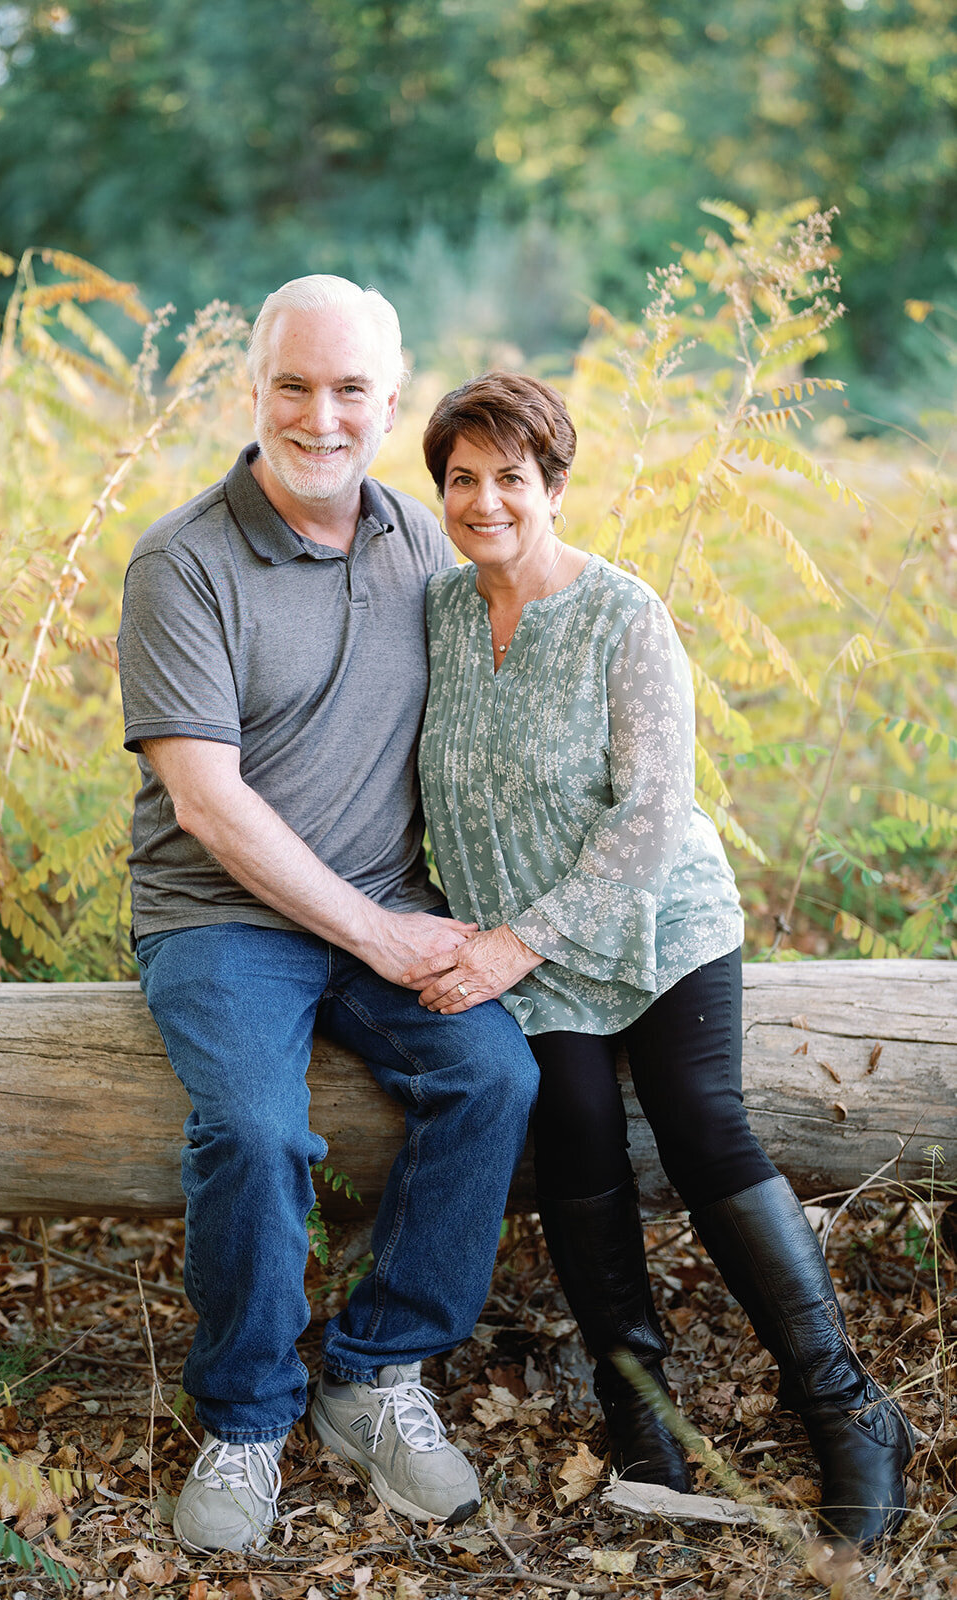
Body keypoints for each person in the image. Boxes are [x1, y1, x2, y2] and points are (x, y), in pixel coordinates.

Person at [403, 371, 915, 1550]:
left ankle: (843, 1405)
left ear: (553, 485)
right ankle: (645, 1419)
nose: (484, 500)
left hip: (652, 919)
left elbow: (649, 814)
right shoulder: (434, 611)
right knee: (572, 1126)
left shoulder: (620, 613)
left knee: (697, 1123)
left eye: (509, 478)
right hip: (518, 944)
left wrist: (510, 945)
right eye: (461, 479)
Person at [117, 283, 538, 1555]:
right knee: (254, 1129)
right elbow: (206, 805)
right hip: (220, 917)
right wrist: (375, 932)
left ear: (390, 402)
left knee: (495, 1076)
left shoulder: (419, 542)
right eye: (292, 385)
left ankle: (374, 1370)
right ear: (252, 394)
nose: (319, 414)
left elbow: (543, 642)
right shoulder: (180, 561)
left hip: (384, 904)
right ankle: (247, 1417)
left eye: (349, 389)